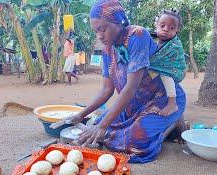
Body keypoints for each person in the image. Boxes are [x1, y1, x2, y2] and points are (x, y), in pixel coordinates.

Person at [51, 0, 186, 163]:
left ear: (118, 22)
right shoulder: (108, 49)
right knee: (98, 126)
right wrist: (80, 115)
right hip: (134, 105)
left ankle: (170, 125)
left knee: (134, 144)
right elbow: (107, 90)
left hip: (161, 101)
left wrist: (102, 127)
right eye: (96, 31)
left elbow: (131, 87)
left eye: (103, 29)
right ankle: (155, 125)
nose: (99, 35)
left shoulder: (138, 35)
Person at [149, 9, 186, 116]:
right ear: (156, 25)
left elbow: (169, 61)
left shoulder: (174, 45)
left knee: (165, 75)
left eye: (171, 28)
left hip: (173, 69)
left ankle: (172, 103)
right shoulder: (150, 37)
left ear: (177, 30)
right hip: (154, 70)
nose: (166, 29)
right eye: (162, 26)